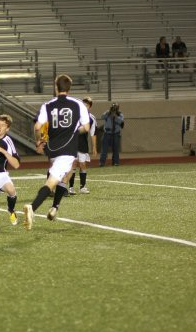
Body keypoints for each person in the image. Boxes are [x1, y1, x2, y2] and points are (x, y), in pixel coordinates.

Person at [23, 74, 90, 230]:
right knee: (54, 181)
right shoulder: (78, 104)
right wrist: (74, 132)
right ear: (69, 88)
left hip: (52, 150)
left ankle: (55, 208)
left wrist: (39, 141)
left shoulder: (48, 105)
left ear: (56, 87)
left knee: (66, 175)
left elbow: (37, 127)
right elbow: (86, 127)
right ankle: (32, 208)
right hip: (67, 150)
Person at [67, 97, 98, 194]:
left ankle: (83, 187)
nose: (84, 106)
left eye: (87, 105)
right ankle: (71, 187)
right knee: (73, 164)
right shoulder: (75, 115)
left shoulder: (91, 118)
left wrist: (94, 147)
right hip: (72, 143)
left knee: (83, 164)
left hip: (83, 144)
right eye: (83, 104)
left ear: (90, 107)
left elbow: (93, 133)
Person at [99, 103, 124, 167]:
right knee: (104, 149)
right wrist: (109, 113)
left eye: (115, 107)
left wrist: (115, 116)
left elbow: (121, 121)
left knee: (116, 148)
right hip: (107, 133)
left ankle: (115, 162)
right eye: (113, 107)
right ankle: (102, 163)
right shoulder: (108, 113)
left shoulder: (120, 114)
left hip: (116, 133)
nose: (114, 109)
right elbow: (102, 117)